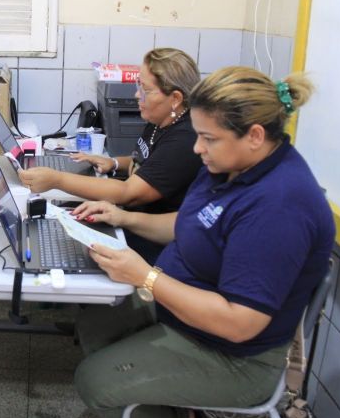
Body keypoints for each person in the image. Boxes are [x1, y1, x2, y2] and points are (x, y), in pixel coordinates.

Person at [71, 66, 336, 418]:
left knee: (94, 383)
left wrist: (146, 278)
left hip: (235, 358)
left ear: (255, 136)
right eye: (198, 135)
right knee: (94, 326)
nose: (197, 149)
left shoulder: (280, 206)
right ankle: (160, 414)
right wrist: (123, 217)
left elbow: (238, 323)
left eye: (208, 138)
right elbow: (191, 224)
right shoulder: (231, 165)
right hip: (184, 312)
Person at [18, 48, 202, 262]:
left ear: (175, 99)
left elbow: (128, 192)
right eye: (138, 85)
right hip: (130, 220)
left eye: (145, 89)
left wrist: (57, 180)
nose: (136, 94)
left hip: (151, 239)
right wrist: (114, 162)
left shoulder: (183, 140)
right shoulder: (161, 120)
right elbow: (148, 162)